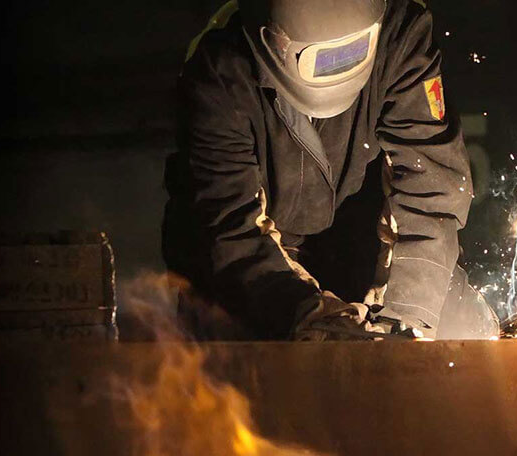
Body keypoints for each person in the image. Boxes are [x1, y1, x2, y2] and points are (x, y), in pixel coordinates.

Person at [162, 0, 498, 340]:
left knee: (457, 325)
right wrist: (302, 312)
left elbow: (432, 187)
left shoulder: (398, 32)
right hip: (248, 272)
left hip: (357, 243)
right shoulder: (219, 71)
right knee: (242, 363)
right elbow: (229, 227)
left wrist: (409, 314)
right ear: (273, 43)